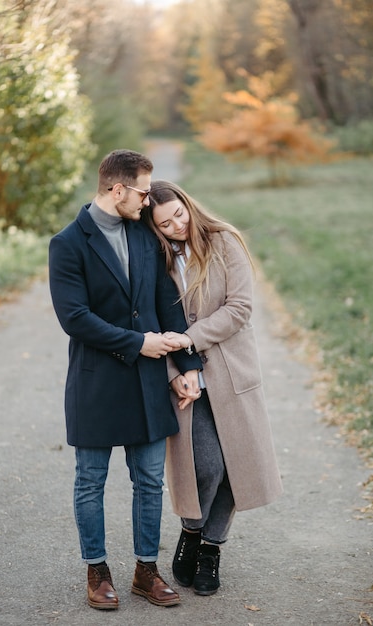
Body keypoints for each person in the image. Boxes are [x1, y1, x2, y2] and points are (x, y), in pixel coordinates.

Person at [48, 151, 202, 610]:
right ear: (117, 189)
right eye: (141, 191)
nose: (147, 199)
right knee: (91, 480)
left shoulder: (144, 234)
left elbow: (166, 301)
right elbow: (74, 318)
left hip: (148, 383)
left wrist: (189, 363)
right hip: (96, 384)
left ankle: (145, 572)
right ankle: (97, 572)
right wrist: (138, 343)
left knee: (150, 481)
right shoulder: (68, 243)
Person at [141, 179, 283, 596]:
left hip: (232, 373)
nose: (176, 226)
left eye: (179, 214)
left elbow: (239, 308)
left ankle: (211, 550)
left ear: (188, 204)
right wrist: (174, 369)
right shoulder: (157, 258)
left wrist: (191, 338)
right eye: (165, 224)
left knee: (236, 469)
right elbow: (152, 318)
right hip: (187, 381)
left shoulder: (224, 242)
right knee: (206, 467)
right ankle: (191, 529)